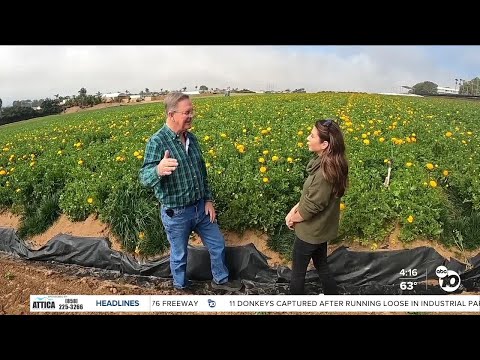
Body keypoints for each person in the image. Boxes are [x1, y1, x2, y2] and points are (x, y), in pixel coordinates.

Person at [139, 92, 242, 292]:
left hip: (200, 208)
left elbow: (201, 173)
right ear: (172, 115)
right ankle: (181, 287)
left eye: (191, 111)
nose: (191, 115)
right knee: (179, 255)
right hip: (176, 213)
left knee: (217, 244)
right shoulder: (157, 142)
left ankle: (221, 280)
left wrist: (208, 200)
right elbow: (143, 177)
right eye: (187, 112)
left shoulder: (191, 139)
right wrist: (158, 170)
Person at [285, 119, 349, 295]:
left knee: (297, 272)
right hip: (320, 231)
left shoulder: (324, 173)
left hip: (310, 233)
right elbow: (310, 197)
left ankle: (294, 302)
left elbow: (311, 207)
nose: (307, 138)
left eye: (312, 136)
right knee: (321, 265)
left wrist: (293, 219)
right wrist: (293, 210)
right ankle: (332, 295)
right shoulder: (332, 164)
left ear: (325, 144)